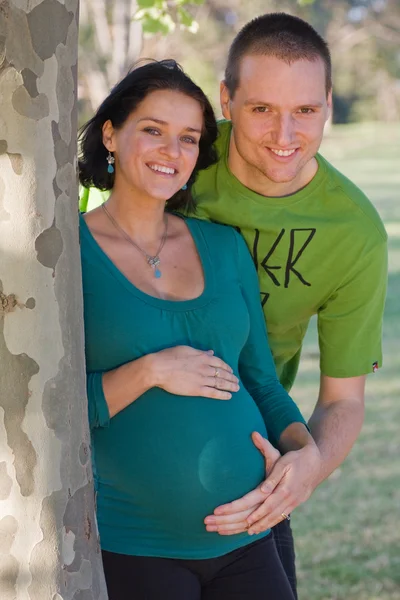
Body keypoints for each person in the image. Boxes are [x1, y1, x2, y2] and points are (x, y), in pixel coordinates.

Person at [79, 13, 388, 598]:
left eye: (305, 110)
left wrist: (305, 467)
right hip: (135, 527)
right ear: (228, 101)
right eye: (262, 108)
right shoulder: (92, 232)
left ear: (328, 105)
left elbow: (316, 392)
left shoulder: (347, 233)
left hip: (253, 508)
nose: (284, 134)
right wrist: (148, 372)